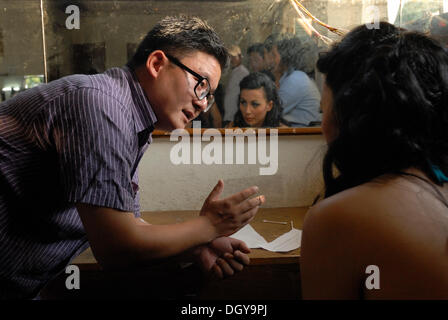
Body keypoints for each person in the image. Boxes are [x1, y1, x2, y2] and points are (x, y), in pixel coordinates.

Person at [0, 15, 265, 300]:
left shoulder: (131, 121)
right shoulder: (101, 106)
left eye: (210, 96)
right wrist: (209, 226)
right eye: (200, 84)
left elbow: (130, 226)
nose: (202, 103)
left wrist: (198, 245)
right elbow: (116, 249)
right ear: (157, 64)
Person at [300, 22, 448, 299]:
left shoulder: (337, 219)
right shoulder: (438, 185)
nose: (322, 124)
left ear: (351, 118)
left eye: (325, 109)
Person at [273, 37, 321, 127]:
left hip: (301, 136)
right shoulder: (293, 76)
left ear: (285, 57)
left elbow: (272, 111)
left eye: (274, 55)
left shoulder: (296, 79)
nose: (272, 60)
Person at [222, 45, 249, 126]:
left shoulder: (243, 73)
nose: (231, 60)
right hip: (229, 116)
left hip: (234, 118)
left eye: (233, 57)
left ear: (240, 57)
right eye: (229, 57)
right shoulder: (235, 72)